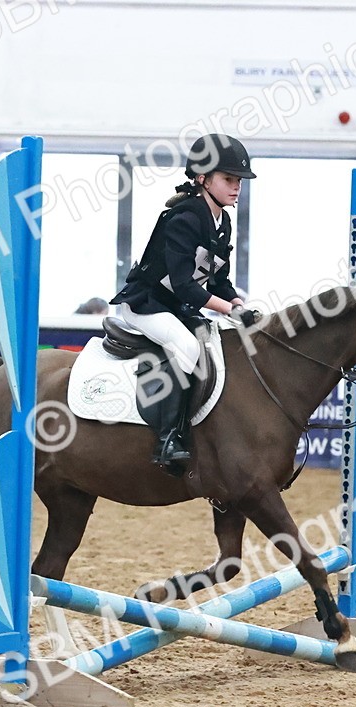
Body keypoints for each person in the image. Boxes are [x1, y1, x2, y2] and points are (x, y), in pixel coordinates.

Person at [110, 133, 262, 473]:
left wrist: (238, 301)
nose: (236, 187)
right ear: (202, 179)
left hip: (176, 306)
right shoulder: (183, 219)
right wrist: (233, 311)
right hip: (146, 304)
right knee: (188, 348)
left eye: (238, 181)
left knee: (217, 345)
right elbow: (185, 286)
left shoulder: (222, 222)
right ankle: (168, 440)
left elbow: (217, 281)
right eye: (229, 179)